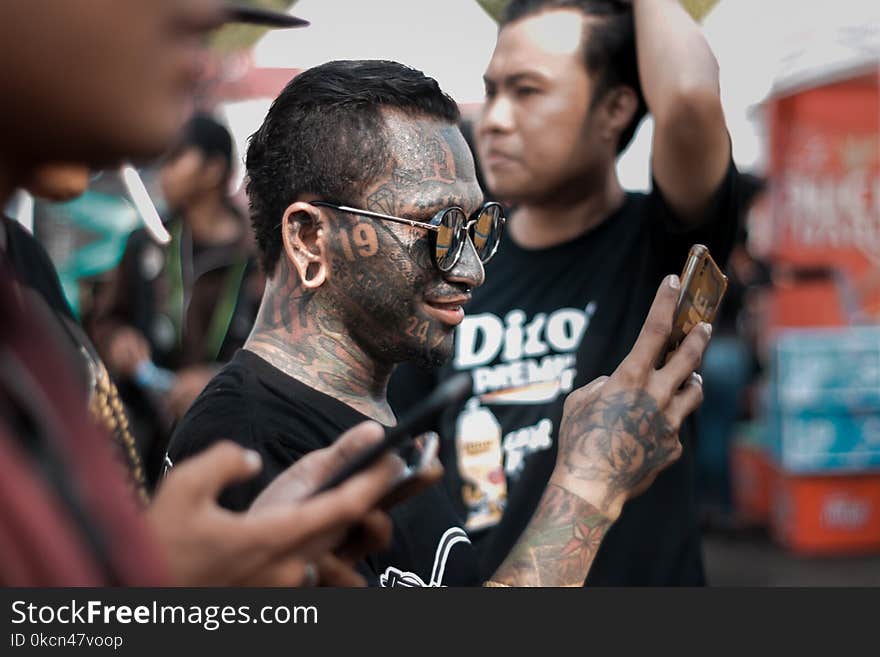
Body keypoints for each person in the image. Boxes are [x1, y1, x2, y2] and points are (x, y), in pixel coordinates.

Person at [167, 58, 711, 587]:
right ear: (310, 238)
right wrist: (589, 485)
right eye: (437, 229)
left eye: (476, 227)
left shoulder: (379, 415)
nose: (472, 270)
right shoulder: (246, 448)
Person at [0, 0, 419, 587]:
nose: (206, 13)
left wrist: (172, 586)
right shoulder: (143, 249)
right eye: (428, 226)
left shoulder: (22, 290)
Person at [389, 0, 746, 585]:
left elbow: (687, 99)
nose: (495, 119)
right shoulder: (453, 268)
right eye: (493, 90)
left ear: (614, 109)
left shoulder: (660, 249)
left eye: (528, 91)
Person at [88, 114, 261, 482]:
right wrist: (118, 339)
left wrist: (219, 380)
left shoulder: (260, 258)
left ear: (213, 169)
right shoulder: (147, 242)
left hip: (229, 446)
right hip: (145, 442)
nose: (163, 172)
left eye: (176, 158)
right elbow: (104, 319)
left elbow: (278, 348)